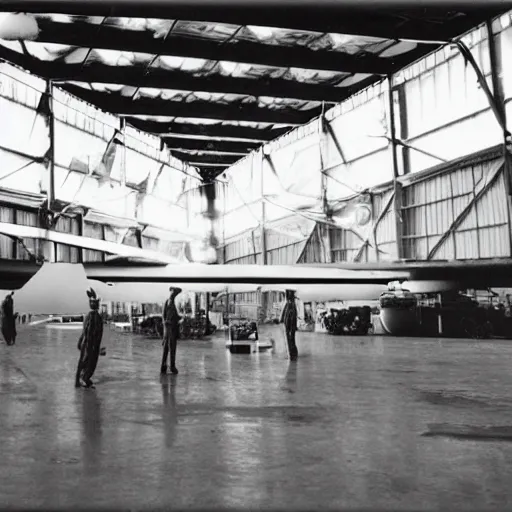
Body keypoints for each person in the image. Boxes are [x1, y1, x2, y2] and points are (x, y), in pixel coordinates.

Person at [75, 288, 104, 389]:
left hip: (88, 344)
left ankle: (82, 379)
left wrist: (81, 340)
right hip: (90, 345)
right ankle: (84, 379)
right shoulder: (95, 316)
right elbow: (91, 332)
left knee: (84, 361)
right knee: (90, 362)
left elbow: (85, 331)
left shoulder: (90, 316)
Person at [161, 286, 182, 375]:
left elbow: (164, 316)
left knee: (167, 348)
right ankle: (171, 366)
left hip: (170, 327)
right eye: (174, 293)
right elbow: (165, 316)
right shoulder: (170, 302)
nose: (174, 294)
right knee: (171, 348)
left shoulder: (169, 302)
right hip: (170, 327)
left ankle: (164, 366)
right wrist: (181, 318)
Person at [280, 289, 299, 361]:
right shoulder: (288, 304)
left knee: (291, 339)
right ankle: (292, 354)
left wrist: (292, 328)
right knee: (290, 339)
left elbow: (293, 317)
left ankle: (292, 354)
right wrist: (281, 321)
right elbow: (284, 315)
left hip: (290, 326)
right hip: (287, 326)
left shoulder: (291, 305)